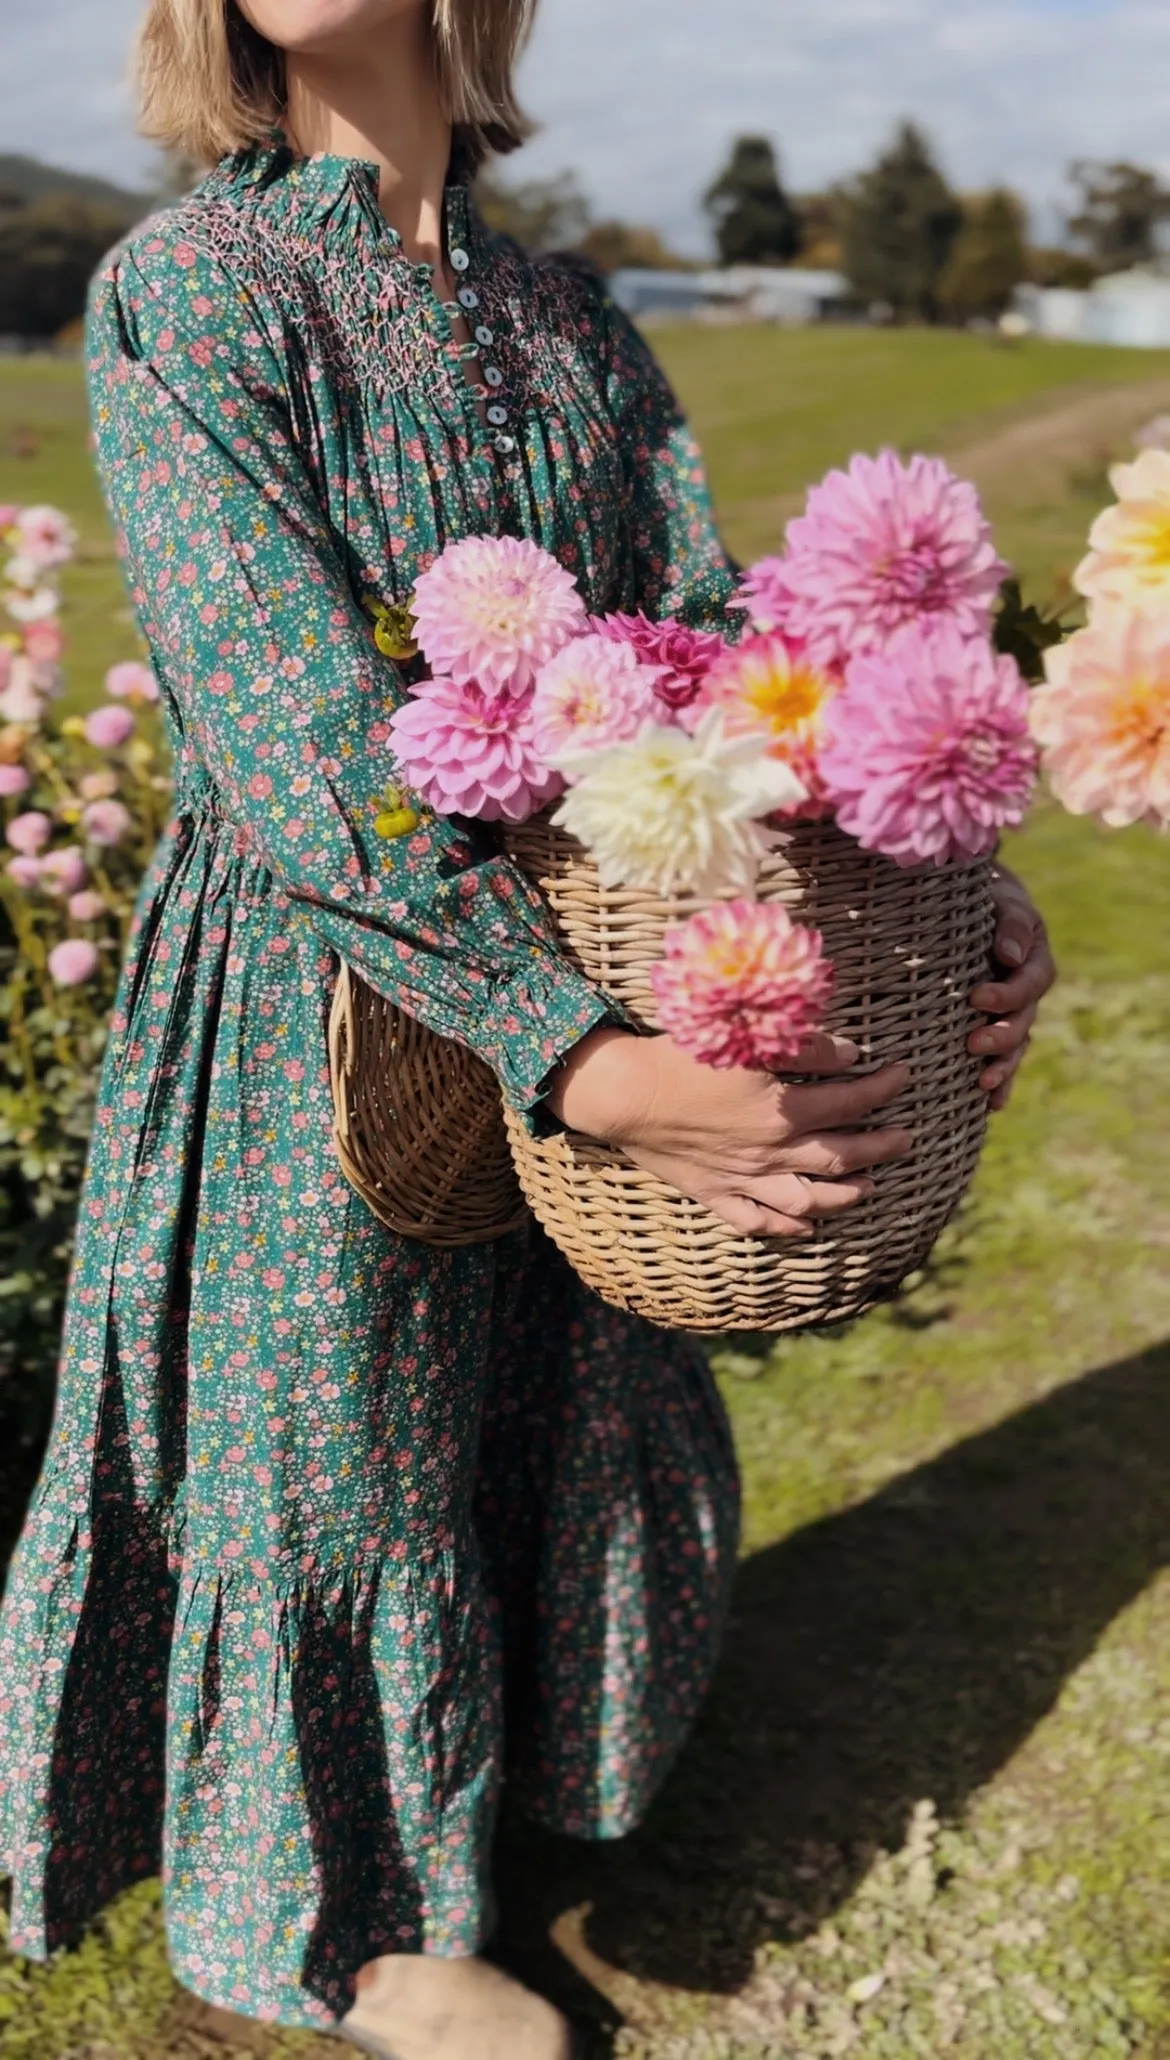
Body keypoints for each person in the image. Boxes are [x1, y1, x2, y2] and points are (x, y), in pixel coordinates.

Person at [0, 2, 1056, 2055]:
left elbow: (720, 639)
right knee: (342, 1433)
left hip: (599, 923)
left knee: (555, 1383)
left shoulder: (574, 315)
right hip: (323, 982)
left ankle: (529, 1780)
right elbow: (289, 730)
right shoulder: (190, 289)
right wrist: (579, 1053)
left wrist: (944, 873)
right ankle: (366, 1929)